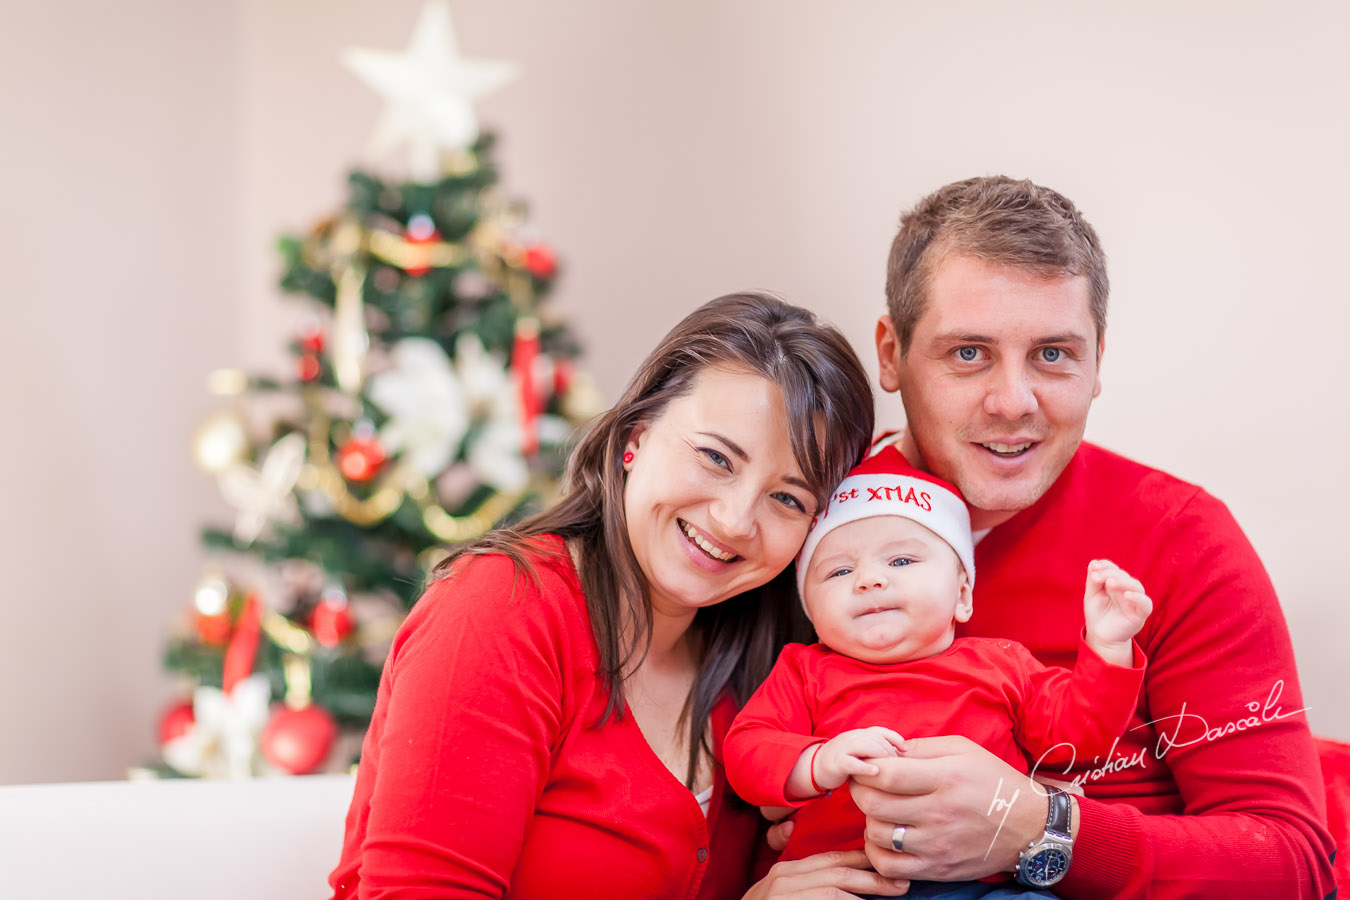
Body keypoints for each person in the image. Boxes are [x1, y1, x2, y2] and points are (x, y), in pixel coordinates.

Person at [326, 293, 911, 900]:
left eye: (788, 498)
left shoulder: (768, 660)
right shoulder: (503, 608)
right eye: (716, 458)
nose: (737, 521)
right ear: (637, 435)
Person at [845, 176, 1336, 898]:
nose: (1013, 403)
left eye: (1052, 354)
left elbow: (1290, 861)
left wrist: (1036, 828)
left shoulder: (1178, 538)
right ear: (891, 353)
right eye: (969, 353)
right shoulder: (807, 527)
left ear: (1097, 358)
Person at [725, 446, 1151, 898]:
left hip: (984, 881)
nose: (868, 579)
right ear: (812, 612)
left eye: (901, 561)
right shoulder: (804, 670)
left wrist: (1107, 646)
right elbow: (747, 748)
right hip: (850, 881)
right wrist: (816, 761)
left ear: (962, 594)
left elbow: (1080, 734)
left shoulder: (1002, 663)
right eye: (839, 571)